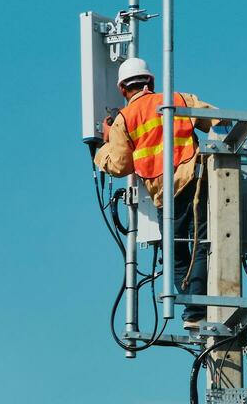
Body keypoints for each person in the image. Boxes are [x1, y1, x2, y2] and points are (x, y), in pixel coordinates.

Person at [94, 56, 222, 328]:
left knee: (175, 251)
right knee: (199, 244)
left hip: (163, 191)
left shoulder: (124, 120)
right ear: (150, 81)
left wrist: (103, 146)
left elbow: (119, 165)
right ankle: (195, 311)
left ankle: (194, 311)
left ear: (122, 89)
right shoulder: (177, 99)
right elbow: (218, 120)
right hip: (193, 179)